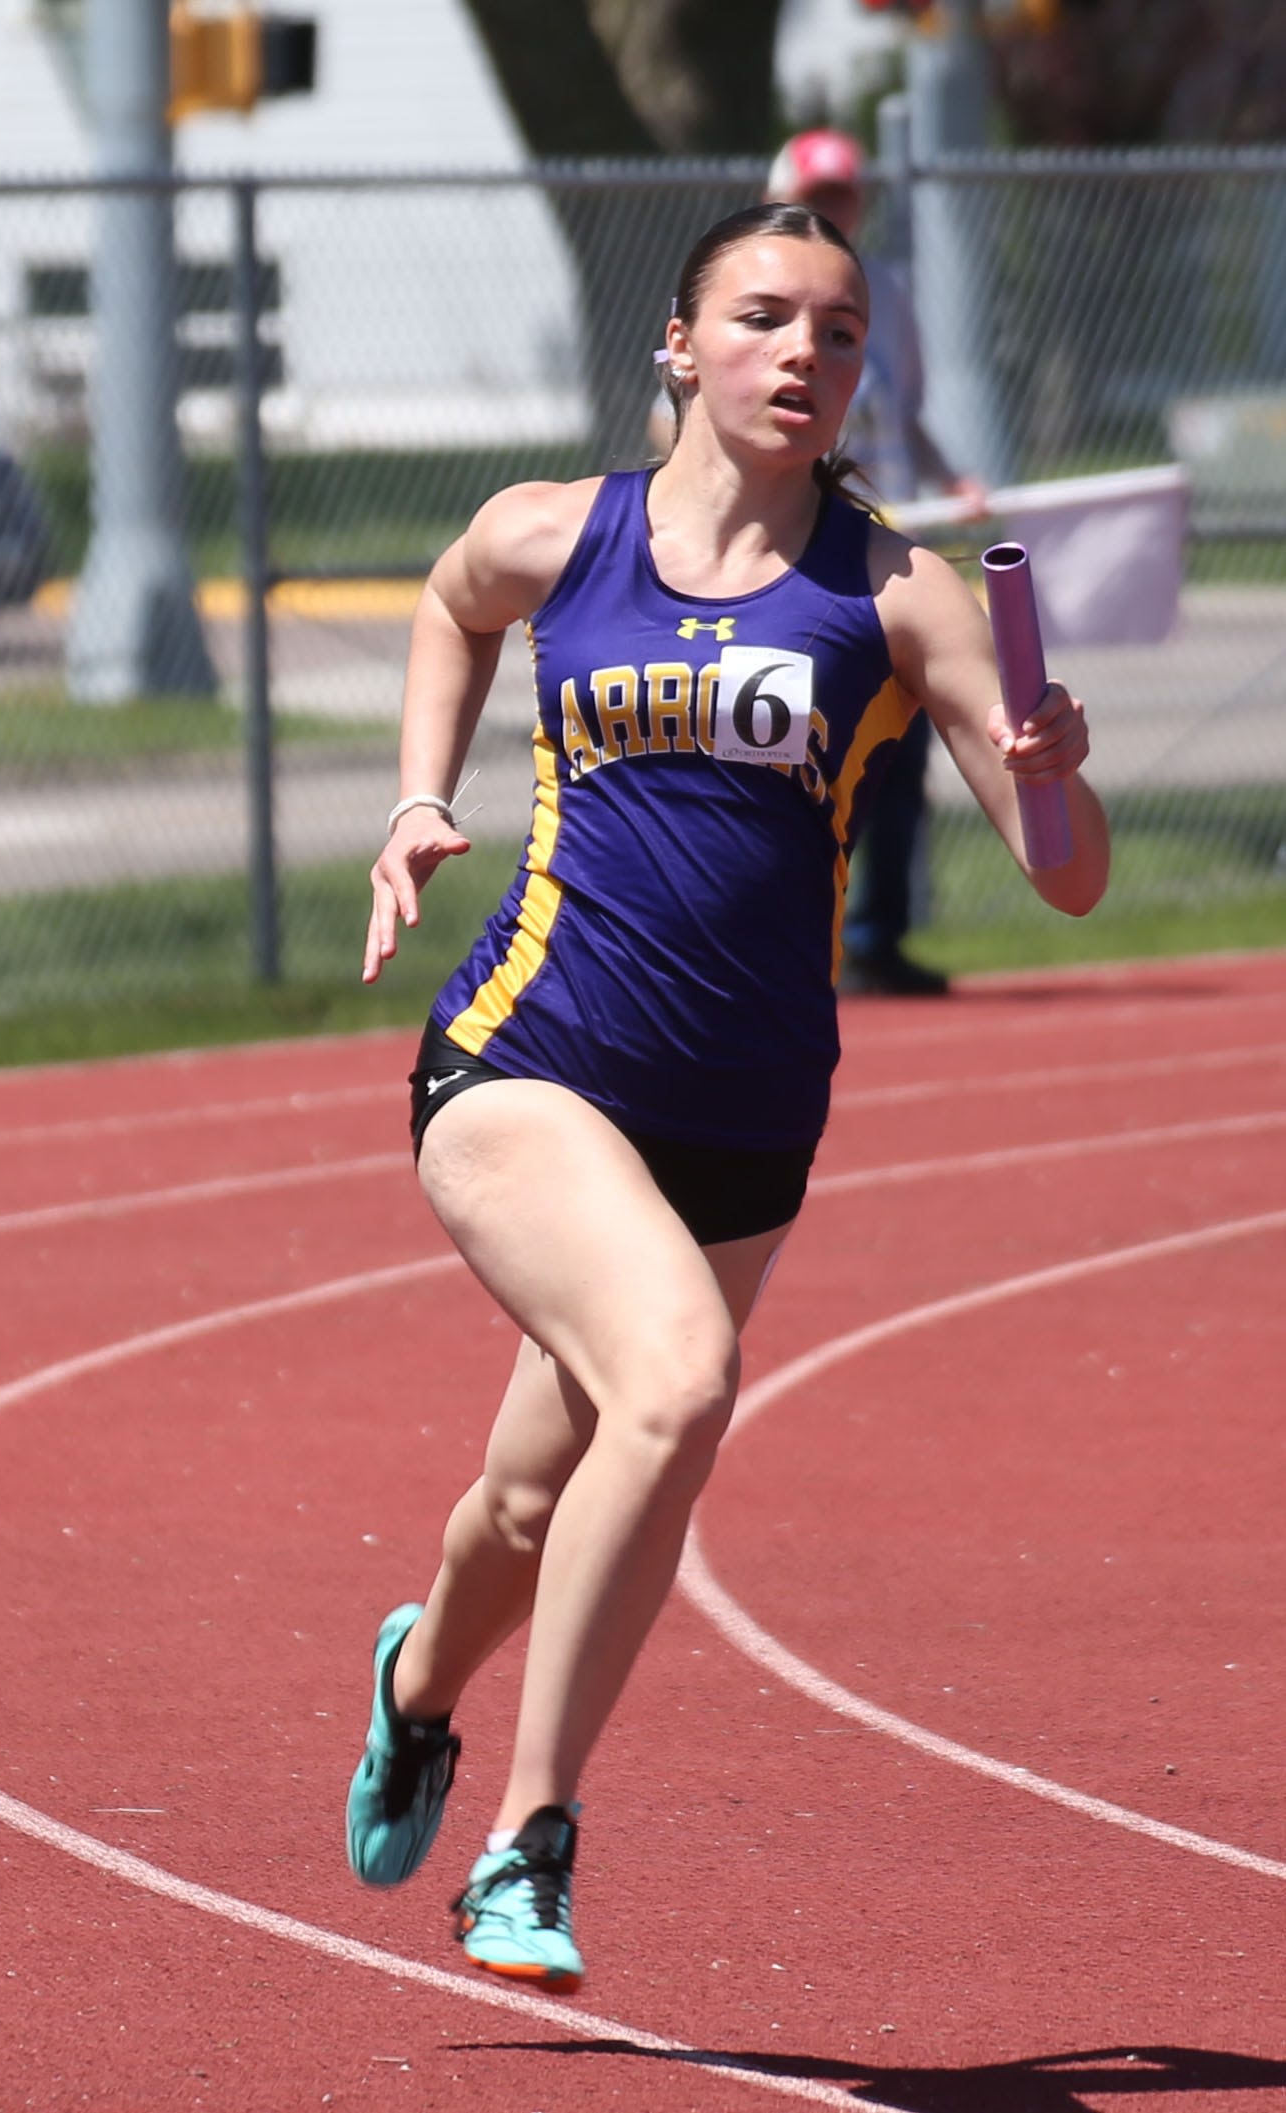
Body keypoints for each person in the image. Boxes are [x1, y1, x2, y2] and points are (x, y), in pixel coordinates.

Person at [349, 202, 1104, 1993]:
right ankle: (529, 1840)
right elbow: (448, 612)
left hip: (744, 1122)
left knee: (532, 1503)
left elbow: (1063, 875)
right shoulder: (554, 533)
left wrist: (1055, 771)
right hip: (529, 1060)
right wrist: (412, 797)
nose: (802, 355)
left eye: (838, 334)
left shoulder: (897, 593)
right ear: (680, 344)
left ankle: (412, 1684)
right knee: (679, 1383)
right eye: (763, 318)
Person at [770, 127, 989, 997]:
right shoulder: (748, 290)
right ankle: (784, 940)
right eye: (816, 196)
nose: (834, 211)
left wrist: (951, 480)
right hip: (808, 550)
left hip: (891, 554)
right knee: (805, 755)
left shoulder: (884, 292)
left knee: (901, 749)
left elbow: (903, 416)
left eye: (844, 196)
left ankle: (873, 937)